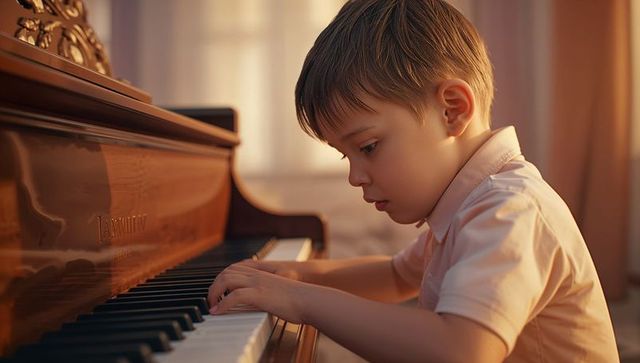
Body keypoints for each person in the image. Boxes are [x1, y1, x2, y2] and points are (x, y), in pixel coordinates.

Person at [207, 0, 619, 361]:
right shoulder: (469, 202)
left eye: (367, 147)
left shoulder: (509, 209)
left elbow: (460, 351)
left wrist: (301, 300)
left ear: (452, 111)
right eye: (344, 154)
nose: (354, 176)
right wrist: (298, 275)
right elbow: (395, 276)